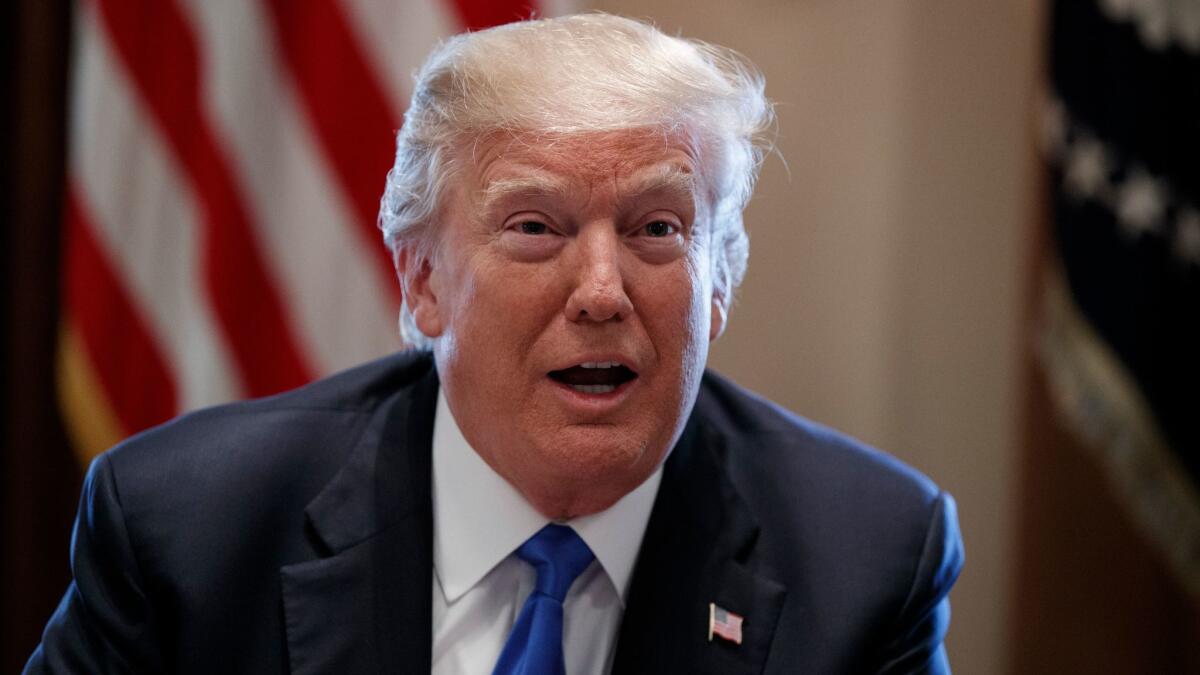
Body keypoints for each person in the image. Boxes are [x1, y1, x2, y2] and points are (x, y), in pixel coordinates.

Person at [26, 13, 963, 674]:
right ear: (424, 281)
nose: (602, 291)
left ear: (719, 281)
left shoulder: (868, 557)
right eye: (534, 227)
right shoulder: (188, 532)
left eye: (658, 229)